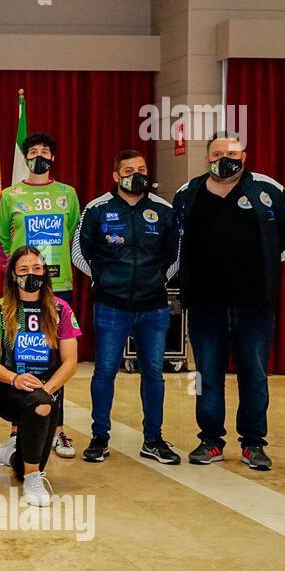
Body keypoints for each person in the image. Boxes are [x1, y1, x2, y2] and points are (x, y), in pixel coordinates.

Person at [171, 134, 285, 471]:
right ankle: (210, 441)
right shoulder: (188, 194)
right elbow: (177, 241)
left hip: (254, 304)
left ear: (243, 154)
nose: (225, 158)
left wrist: (264, 266)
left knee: (254, 374)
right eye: (218, 153)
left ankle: (253, 443)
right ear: (207, 157)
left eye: (232, 152)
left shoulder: (268, 189)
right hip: (204, 304)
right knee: (208, 376)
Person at [72, 149, 181, 465]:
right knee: (105, 371)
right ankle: (99, 437)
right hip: (111, 305)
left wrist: (159, 280)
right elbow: (79, 251)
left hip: (154, 307)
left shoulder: (163, 209)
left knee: (154, 374)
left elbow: (176, 254)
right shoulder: (97, 208)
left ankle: (153, 439)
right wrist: (103, 279)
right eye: (129, 169)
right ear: (115, 175)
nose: (137, 173)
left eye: (142, 168)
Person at [0, 132, 81, 461]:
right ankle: (18, 430)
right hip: (20, 290)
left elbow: (72, 233)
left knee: (56, 358)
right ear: (26, 157)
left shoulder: (67, 194)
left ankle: (57, 430)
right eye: (33, 151)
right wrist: (18, 275)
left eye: (46, 150)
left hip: (56, 287)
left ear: (53, 158)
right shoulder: (10, 195)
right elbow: (3, 238)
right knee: (18, 351)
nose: (39, 155)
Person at [0, 248, 81, 507]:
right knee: (41, 407)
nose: (31, 274)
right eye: (23, 270)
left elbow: (71, 361)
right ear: (13, 275)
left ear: (45, 273)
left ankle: (14, 455)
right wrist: (15, 379)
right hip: (7, 389)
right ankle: (33, 478)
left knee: (40, 412)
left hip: (47, 391)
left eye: (37, 269)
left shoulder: (61, 308)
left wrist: (47, 388)